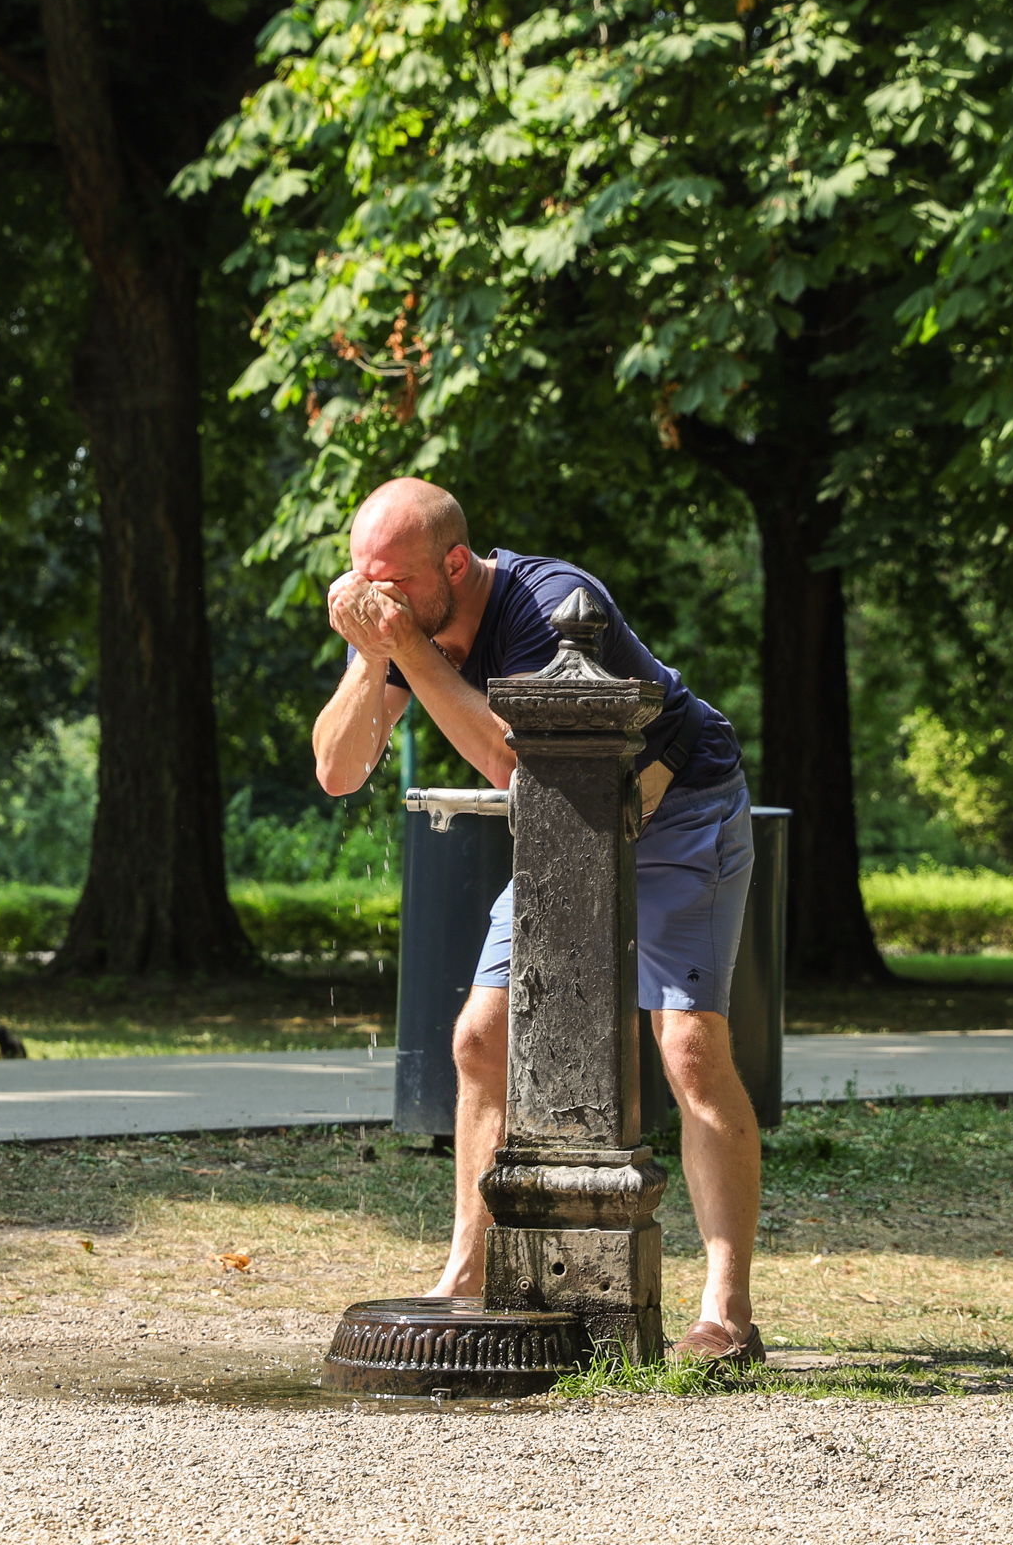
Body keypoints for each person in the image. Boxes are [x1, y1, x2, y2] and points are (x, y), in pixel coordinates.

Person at [310, 477, 765, 1366]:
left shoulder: (553, 604)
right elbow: (336, 770)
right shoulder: (405, 620)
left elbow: (513, 766)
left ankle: (727, 1313)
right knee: (480, 1037)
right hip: (570, 823)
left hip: (678, 803)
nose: (376, 594)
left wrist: (405, 644)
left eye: (393, 580)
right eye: (361, 577)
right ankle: (469, 1273)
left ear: (452, 564)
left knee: (687, 1046)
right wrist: (373, 660)